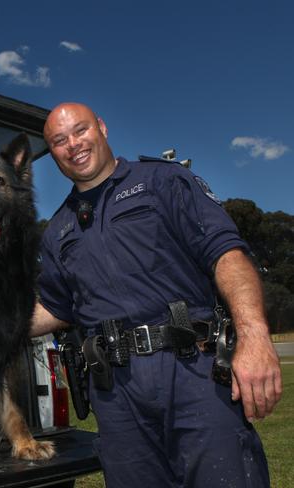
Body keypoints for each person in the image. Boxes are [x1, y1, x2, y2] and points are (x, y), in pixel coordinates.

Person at [33, 103, 282, 487]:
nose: (73, 145)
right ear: (52, 154)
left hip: (191, 371)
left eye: (80, 131)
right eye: (59, 141)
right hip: (116, 394)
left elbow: (227, 255)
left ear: (101, 127)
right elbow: (54, 307)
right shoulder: (58, 231)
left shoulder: (162, 181)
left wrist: (254, 335)